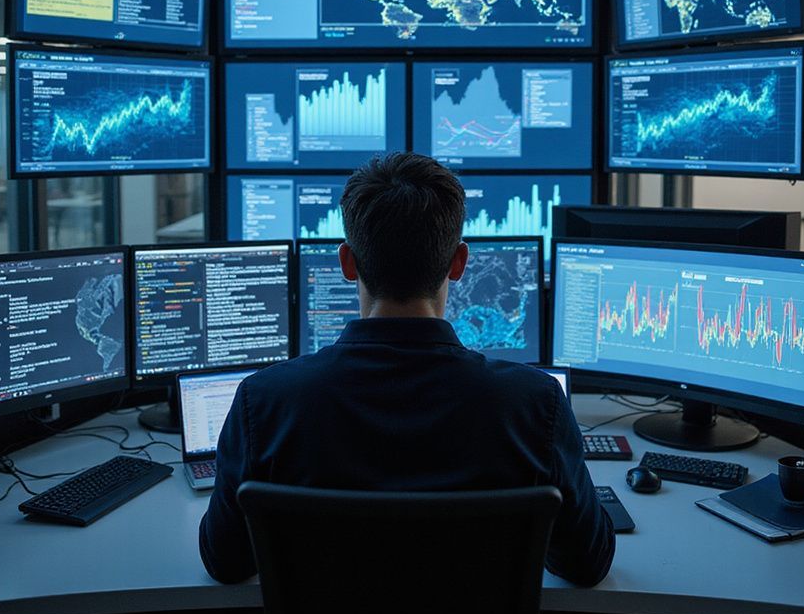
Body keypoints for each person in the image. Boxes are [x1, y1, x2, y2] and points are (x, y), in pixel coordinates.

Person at [199, 152, 615, 587]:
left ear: (346, 262)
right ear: (459, 263)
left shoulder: (264, 402)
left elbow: (225, 563)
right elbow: (587, 565)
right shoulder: (535, 404)